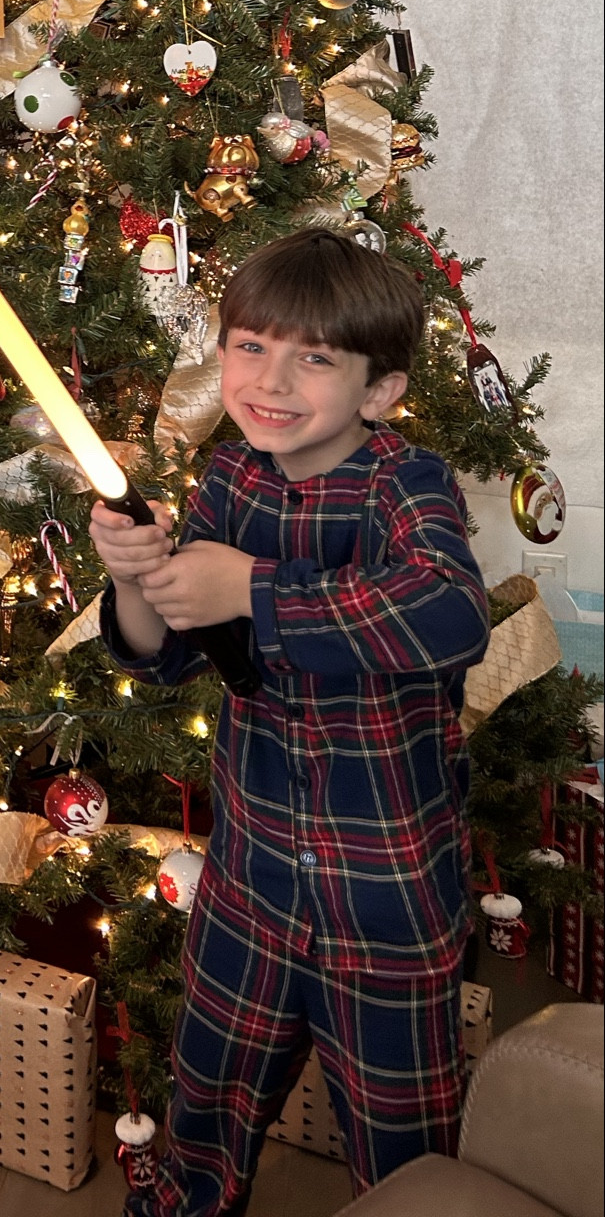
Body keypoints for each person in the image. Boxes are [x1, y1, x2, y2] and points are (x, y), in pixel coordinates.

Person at [90, 227, 489, 1214]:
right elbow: (171, 648)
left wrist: (256, 587)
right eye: (248, 344)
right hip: (249, 878)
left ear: (377, 391)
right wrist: (134, 575)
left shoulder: (406, 483)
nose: (269, 377)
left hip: (386, 895)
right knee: (204, 1105)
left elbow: (448, 612)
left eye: (312, 355)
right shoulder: (228, 482)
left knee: (402, 1139)